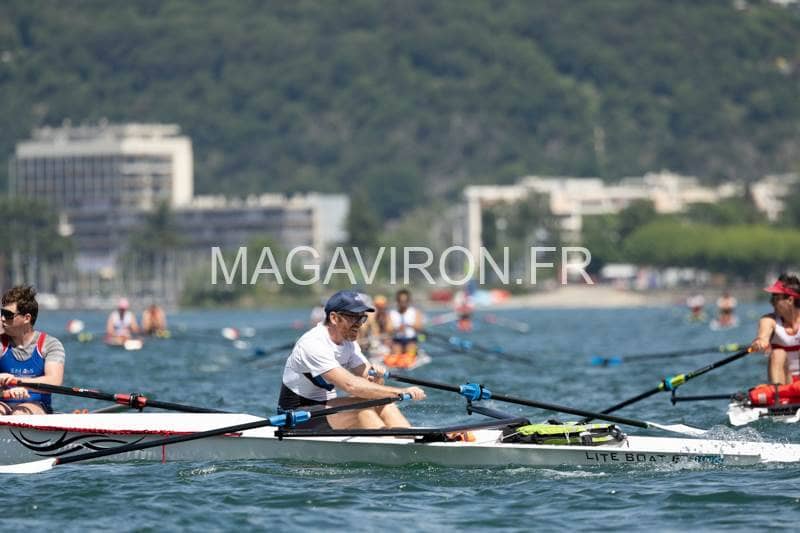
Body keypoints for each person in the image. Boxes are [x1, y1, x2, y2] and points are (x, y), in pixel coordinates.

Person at [278, 290, 425, 430]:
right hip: (295, 415)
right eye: (353, 317)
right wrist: (400, 391)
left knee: (384, 401)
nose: (359, 324)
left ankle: (409, 439)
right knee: (362, 410)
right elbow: (351, 386)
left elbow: (372, 385)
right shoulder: (313, 344)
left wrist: (377, 377)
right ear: (334, 318)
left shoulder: (349, 343)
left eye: (362, 318)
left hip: (325, 407)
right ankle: (389, 444)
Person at [0, 285, 66, 415]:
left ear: (27, 318)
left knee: (19, 413)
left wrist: (19, 383)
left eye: (8, 315)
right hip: (3, 400)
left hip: (36, 405)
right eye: (2, 313)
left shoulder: (50, 345)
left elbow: (54, 381)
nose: (2, 318)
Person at [750, 274, 800, 384]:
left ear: (790, 300)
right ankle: (779, 391)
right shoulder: (769, 320)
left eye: (775, 298)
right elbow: (763, 336)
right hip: (785, 380)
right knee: (778, 353)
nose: (771, 302)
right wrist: (760, 341)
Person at [386, 289, 425, 366]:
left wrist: (409, 325)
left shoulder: (415, 312)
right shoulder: (392, 313)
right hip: (397, 340)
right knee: (396, 350)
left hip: (411, 340)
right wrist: (397, 329)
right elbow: (388, 329)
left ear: (408, 301)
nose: (403, 303)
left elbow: (420, 327)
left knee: (410, 349)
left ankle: (409, 359)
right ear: (397, 301)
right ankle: (397, 362)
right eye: (401, 301)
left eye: (405, 301)